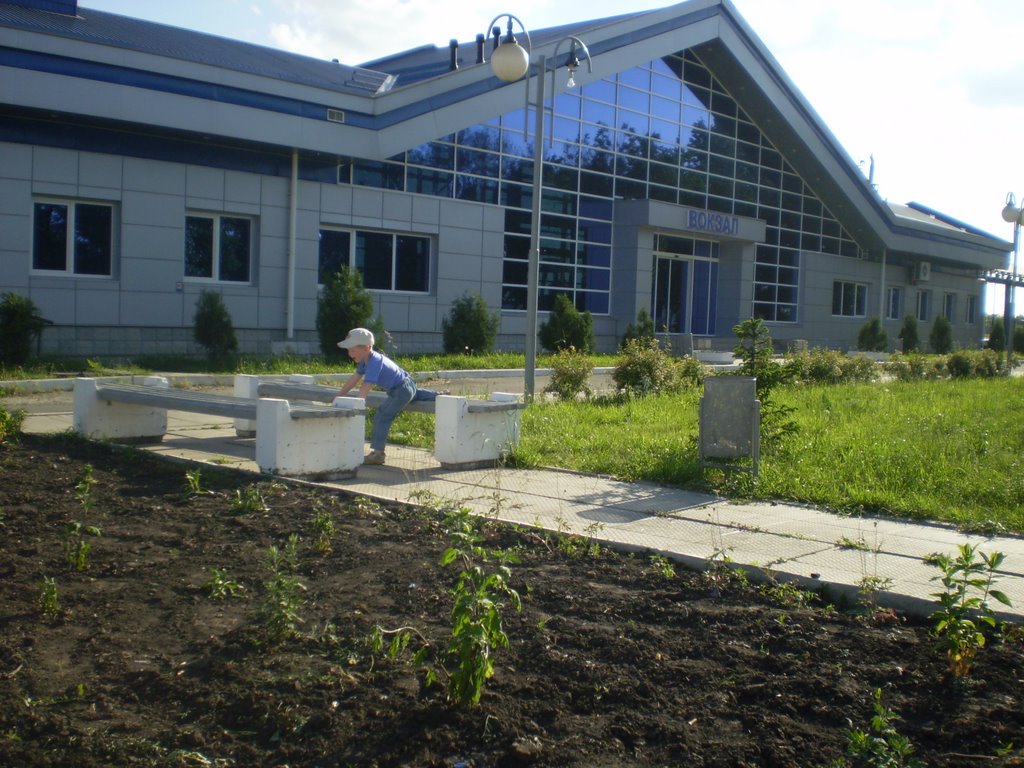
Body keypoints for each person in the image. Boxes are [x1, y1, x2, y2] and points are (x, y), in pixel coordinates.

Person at [335, 328, 437, 465]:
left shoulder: (374, 362)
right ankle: (437, 396)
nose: (349, 354)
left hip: (401, 390)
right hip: (406, 385)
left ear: (366, 348)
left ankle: (378, 453)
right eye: (348, 350)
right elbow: (354, 379)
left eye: (352, 350)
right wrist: (339, 395)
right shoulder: (366, 360)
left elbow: (367, 385)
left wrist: (357, 404)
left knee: (382, 415)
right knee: (414, 394)